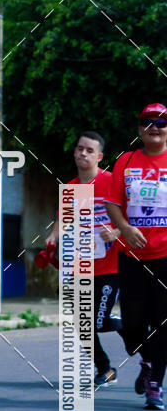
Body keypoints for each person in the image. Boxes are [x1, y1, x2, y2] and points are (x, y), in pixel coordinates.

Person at [46, 131, 122, 386]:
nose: (83, 153)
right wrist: (53, 236)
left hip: (109, 266)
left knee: (99, 322)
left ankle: (132, 326)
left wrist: (117, 231)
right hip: (77, 266)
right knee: (80, 322)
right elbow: (63, 220)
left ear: (99, 156)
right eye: (80, 148)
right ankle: (105, 368)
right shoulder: (70, 188)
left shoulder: (112, 182)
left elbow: (128, 220)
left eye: (90, 150)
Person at [105, 103, 167, 410]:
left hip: (166, 255)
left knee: (162, 321)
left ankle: (155, 385)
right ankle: (146, 361)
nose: (154, 126)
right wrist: (125, 229)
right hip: (131, 256)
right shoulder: (126, 161)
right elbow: (113, 203)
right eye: (147, 121)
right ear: (139, 128)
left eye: (161, 122)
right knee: (132, 323)